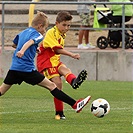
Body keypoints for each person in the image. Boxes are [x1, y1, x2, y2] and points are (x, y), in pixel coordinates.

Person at [0, 11, 91, 118]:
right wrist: (23, 51)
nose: (45, 31)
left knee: (1, 90)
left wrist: (33, 49)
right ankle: (75, 105)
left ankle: (70, 104)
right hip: (27, 70)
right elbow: (29, 42)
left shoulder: (23, 32)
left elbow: (14, 44)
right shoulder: (38, 35)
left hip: (14, 68)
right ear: (40, 26)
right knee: (52, 86)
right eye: (45, 28)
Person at [37, 11, 88, 120]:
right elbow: (57, 49)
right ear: (57, 23)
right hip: (46, 62)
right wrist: (71, 54)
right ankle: (59, 113)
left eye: (69, 25)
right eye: (64, 25)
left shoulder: (61, 34)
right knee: (58, 85)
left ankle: (74, 81)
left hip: (54, 61)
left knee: (65, 69)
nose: (67, 28)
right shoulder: (51, 32)